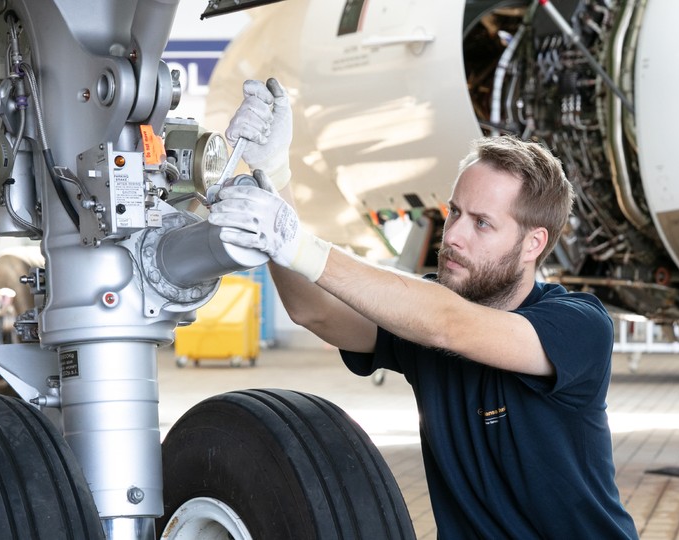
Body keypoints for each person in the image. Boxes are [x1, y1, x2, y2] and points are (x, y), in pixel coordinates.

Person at [210, 78, 638, 539]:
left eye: (481, 224)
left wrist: (299, 243)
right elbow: (314, 311)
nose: (452, 235)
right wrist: (276, 177)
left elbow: (448, 325)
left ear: (533, 243)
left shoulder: (578, 326)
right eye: (454, 212)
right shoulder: (423, 317)